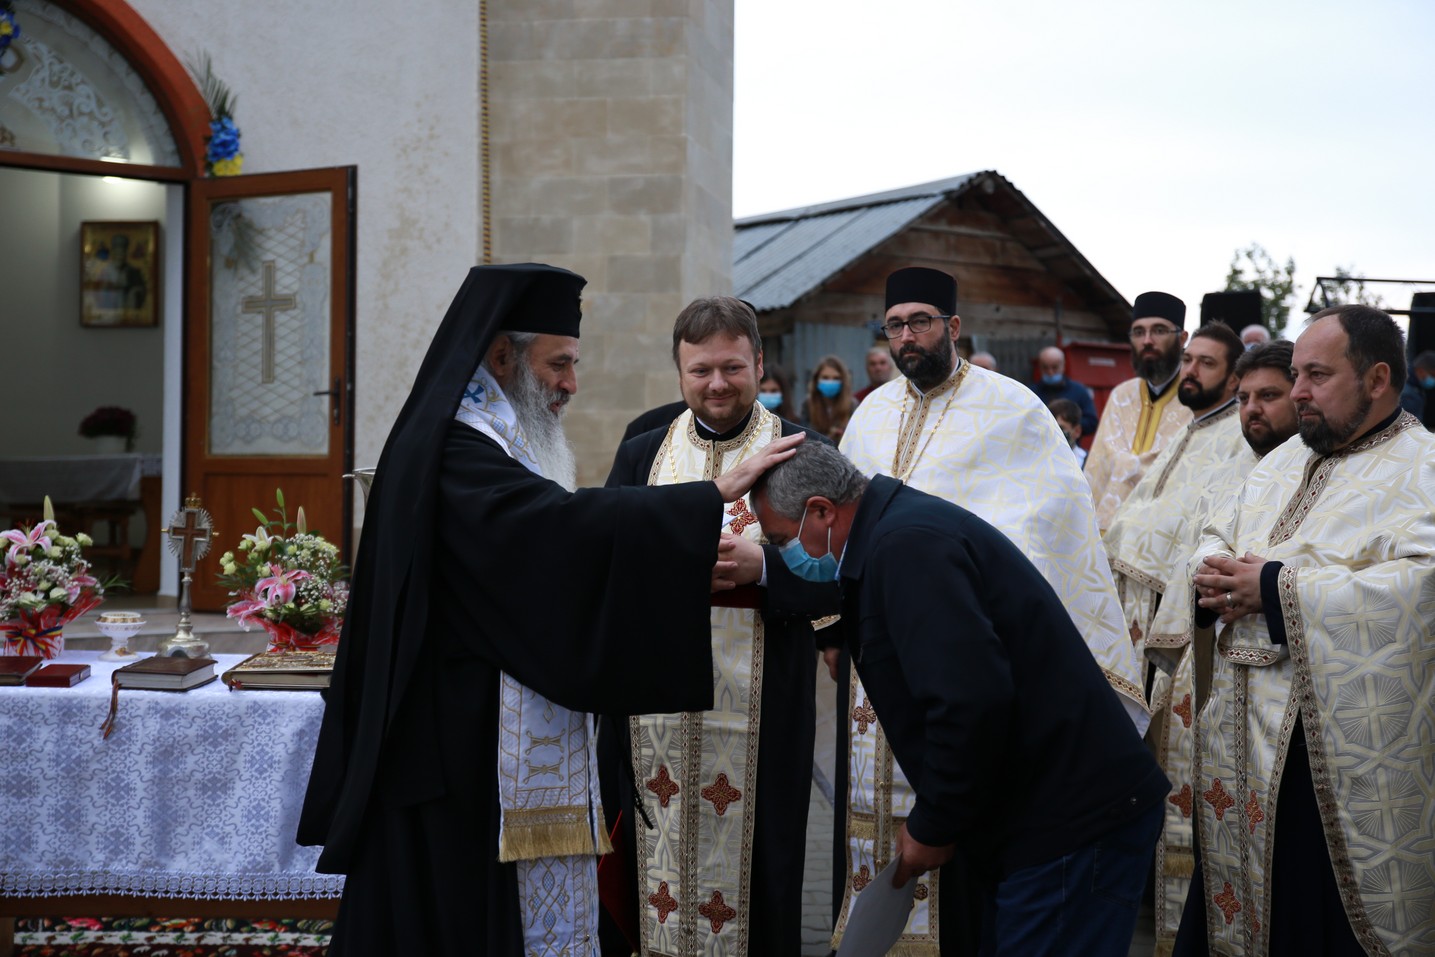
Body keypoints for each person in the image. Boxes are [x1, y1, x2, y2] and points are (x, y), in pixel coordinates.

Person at [296, 264, 803, 956]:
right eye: (558, 363)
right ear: (502, 357)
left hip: (478, 731)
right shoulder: (458, 447)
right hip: (456, 747)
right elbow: (557, 531)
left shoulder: (489, 437)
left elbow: (551, 545)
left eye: (573, 364)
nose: (571, 383)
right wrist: (708, 495)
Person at [831, 266, 1147, 954]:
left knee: (976, 849)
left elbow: (1051, 529)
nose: (907, 337)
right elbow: (842, 532)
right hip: (888, 664)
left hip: (974, 651)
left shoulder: (1014, 409)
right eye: (895, 325)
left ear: (953, 326)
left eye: (920, 322)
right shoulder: (870, 413)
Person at [750, 443, 1170, 957]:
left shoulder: (906, 547)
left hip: (1072, 822)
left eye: (781, 539)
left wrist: (934, 823)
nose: (785, 553)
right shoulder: (895, 532)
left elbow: (970, 700)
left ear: (821, 511)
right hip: (1045, 815)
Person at [1177, 305, 1435, 956]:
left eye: (1316, 375)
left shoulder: (1423, 467)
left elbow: (1422, 587)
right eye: (1295, 375)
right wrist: (1211, 573)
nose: (1297, 392)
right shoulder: (1281, 460)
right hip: (1239, 738)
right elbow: (1217, 528)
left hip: (1326, 765)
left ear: (1377, 379)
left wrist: (1273, 588)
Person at [602, 296, 837, 957]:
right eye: (699, 370)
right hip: (653, 716)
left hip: (766, 708)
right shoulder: (643, 451)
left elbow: (847, 573)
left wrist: (768, 568)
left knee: (762, 876)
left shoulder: (806, 451)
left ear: (759, 363)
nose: (716, 384)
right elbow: (605, 558)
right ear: (679, 371)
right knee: (649, 874)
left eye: (732, 367)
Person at [1100, 326, 1287, 953]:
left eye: (1205, 362)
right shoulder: (1198, 428)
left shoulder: (1244, 440)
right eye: (1189, 360)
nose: (1191, 370)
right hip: (1163, 622)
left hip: (1211, 632)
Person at [1085, 291, 1195, 532]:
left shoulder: (1197, 396)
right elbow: (1099, 466)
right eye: (1138, 332)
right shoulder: (1121, 395)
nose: (1147, 340)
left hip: (1167, 529)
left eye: (1159, 330)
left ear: (1182, 338)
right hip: (1110, 528)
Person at [1029, 345, 1098, 436]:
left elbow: (1092, 422)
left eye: (1054, 367)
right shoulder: (1031, 393)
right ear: (1040, 367)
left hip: (1070, 443)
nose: (1050, 372)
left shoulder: (1079, 391)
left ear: (1063, 366)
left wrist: (1068, 424)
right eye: (1045, 368)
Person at [802, 354, 856, 442]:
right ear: (816, 380)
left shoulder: (852, 405)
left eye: (836, 378)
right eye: (825, 378)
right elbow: (804, 435)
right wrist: (827, 438)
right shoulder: (808, 404)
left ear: (843, 381)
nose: (830, 382)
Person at [1047, 398, 1087, 467]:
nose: (1054, 433)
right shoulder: (1039, 462)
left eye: (1060, 428)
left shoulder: (1090, 462)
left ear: (1077, 431)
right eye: (1050, 428)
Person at [1404, 348, 1435, 428]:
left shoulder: (1416, 388)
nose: (1433, 379)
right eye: (1432, 375)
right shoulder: (1407, 394)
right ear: (1420, 371)